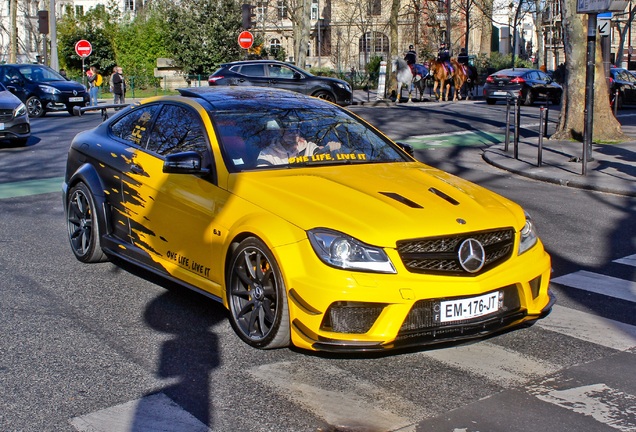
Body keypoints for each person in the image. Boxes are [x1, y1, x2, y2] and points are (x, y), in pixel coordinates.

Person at [256, 122, 341, 167]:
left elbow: (321, 155)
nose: (294, 133)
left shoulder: (309, 147)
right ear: (281, 131)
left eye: (296, 130)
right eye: (289, 130)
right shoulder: (268, 154)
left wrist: (331, 149)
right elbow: (261, 177)